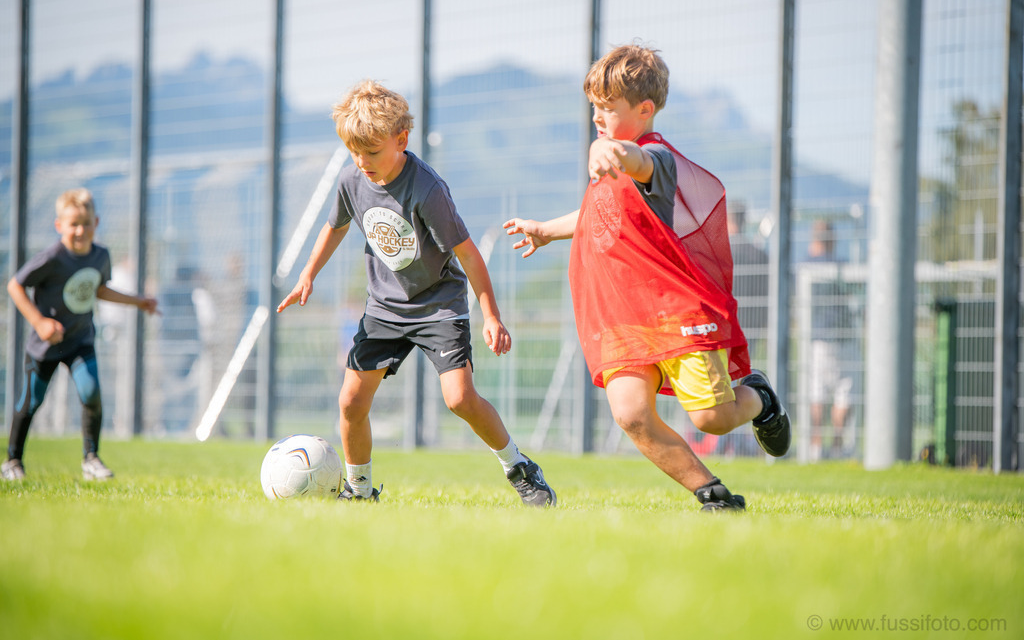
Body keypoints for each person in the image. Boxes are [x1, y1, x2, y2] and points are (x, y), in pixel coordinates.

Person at [504, 44, 790, 511]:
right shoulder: (611, 166)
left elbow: (637, 162)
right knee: (632, 414)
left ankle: (758, 397)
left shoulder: (653, 159)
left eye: (608, 108)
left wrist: (608, 148)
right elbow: (600, 212)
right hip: (624, 314)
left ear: (644, 109)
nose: (597, 117)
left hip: (675, 310)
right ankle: (713, 495)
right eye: (594, 107)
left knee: (712, 417)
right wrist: (545, 231)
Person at [278, 80, 555, 507]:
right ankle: (360, 490)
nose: (362, 161)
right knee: (351, 401)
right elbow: (334, 227)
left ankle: (519, 467)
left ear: (401, 139)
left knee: (460, 399)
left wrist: (491, 316)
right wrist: (307, 275)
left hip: (437, 304)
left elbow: (469, 255)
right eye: (355, 151)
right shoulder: (353, 180)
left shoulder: (427, 189)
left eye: (372, 151)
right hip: (385, 308)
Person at [3, 188, 159, 481]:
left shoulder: (100, 256)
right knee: (31, 402)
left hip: (80, 341)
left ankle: (91, 459)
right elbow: (15, 286)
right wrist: (39, 323)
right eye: (73, 224)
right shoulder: (52, 258)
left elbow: (99, 289)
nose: (80, 230)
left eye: (86, 223)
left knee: (90, 392)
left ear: (96, 223)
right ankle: (12, 461)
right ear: (59, 225)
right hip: (45, 347)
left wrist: (139, 301)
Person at [806, 219, 854, 460]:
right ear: (832, 239)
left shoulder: (807, 265)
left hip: (819, 338)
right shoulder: (841, 264)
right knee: (843, 391)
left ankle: (816, 445)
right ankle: (836, 446)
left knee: (818, 391)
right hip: (844, 338)